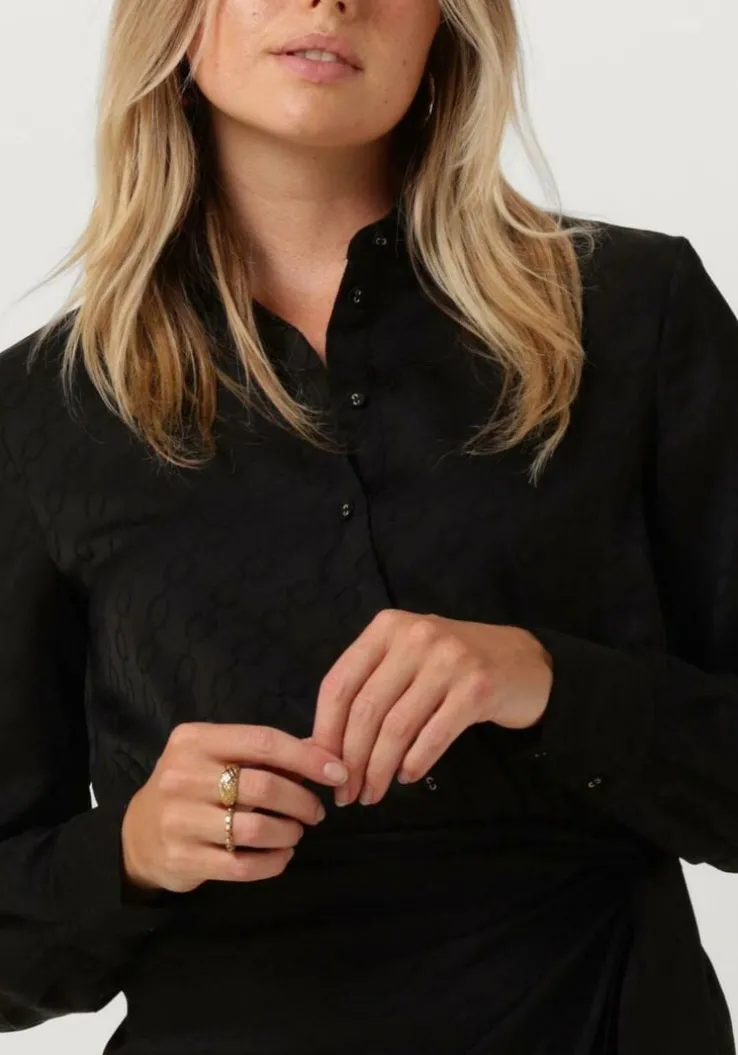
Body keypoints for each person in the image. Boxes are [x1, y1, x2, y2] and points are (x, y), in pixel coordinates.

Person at [0, 0, 737, 1052]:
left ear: (447, 23)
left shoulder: (632, 315)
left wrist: (547, 682)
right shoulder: (43, 411)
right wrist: (131, 848)